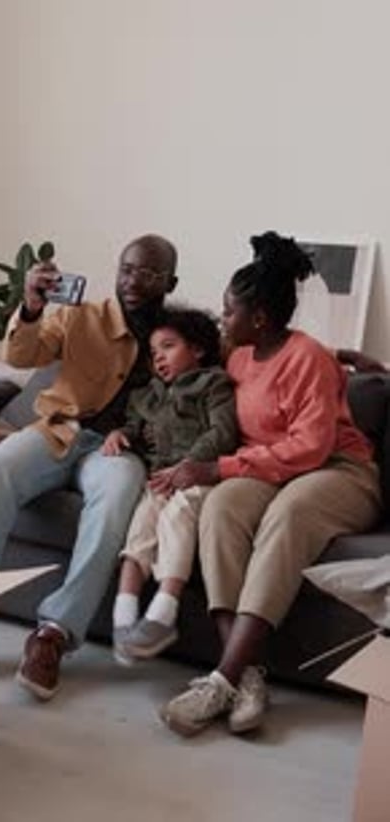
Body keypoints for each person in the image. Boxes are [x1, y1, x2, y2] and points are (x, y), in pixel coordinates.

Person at [155, 231, 382, 737]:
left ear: (258, 317)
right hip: (270, 467)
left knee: (289, 514)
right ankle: (247, 676)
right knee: (221, 507)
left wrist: (217, 467)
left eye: (229, 311)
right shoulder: (239, 356)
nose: (223, 319)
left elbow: (310, 448)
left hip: (337, 469)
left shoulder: (310, 358)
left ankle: (220, 679)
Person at [0, 234, 178, 701]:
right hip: (58, 431)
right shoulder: (80, 315)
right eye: (127, 269)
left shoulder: (178, 338)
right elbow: (21, 356)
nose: (134, 281)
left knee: (119, 493)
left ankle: (54, 633)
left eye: (149, 274)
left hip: (117, 452)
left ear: (170, 283)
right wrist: (32, 306)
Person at [102, 306, 238, 664]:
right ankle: (124, 618)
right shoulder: (146, 396)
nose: (159, 357)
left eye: (168, 346)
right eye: (154, 351)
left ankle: (164, 612)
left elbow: (222, 433)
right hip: (161, 479)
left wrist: (188, 465)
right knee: (141, 525)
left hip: (198, 477)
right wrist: (119, 434)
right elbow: (134, 428)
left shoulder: (213, 384)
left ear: (198, 350)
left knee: (178, 515)